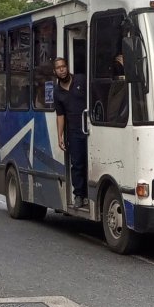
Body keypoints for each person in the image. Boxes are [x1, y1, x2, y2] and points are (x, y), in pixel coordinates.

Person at [53, 57, 88, 208]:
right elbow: (60, 115)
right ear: (55, 72)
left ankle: (90, 193)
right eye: (58, 68)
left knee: (91, 162)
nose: (62, 70)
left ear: (67, 67)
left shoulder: (81, 80)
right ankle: (79, 195)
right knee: (77, 164)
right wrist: (59, 135)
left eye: (63, 66)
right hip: (74, 132)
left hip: (90, 127)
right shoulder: (57, 92)